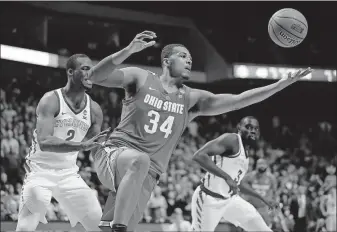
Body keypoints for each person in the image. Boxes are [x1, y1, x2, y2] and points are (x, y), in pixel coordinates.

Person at [88, 30, 312, 232]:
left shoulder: (191, 98)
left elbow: (237, 101)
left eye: (190, 59)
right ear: (167, 60)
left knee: (115, 222)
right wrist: (128, 51)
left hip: (146, 176)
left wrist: (279, 85)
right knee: (139, 163)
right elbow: (95, 77)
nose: (189, 62)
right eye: (183, 56)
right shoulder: (141, 77)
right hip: (115, 155)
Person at [16, 54, 109, 231]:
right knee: (24, 228)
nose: (91, 72)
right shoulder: (51, 99)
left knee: (100, 225)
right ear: (70, 72)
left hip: (69, 174)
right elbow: (44, 141)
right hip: (39, 172)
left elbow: (94, 146)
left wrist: (113, 163)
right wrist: (81, 146)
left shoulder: (95, 110)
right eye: (85, 68)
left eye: (92, 68)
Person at [190, 116, 278, 232]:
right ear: (239, 128)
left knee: (261, 228)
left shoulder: (246, 151)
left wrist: (263, 199)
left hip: (230, 200)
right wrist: (227, 177)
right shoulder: (232, 140)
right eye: (248, 127)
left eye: (256, 129)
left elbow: (237, 183)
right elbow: (199, 156)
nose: (252, 131)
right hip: (209, 199)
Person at [241, 158, 278, 228]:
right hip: (251, 207)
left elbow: (275, 194)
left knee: (265, 228)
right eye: (259, 164)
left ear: (266, 165)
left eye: (263, 164)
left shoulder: (271, 178)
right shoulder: (249, 177)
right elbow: (241, 189)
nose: (261, 166)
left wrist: (274, 209)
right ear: (256, 165)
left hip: (264, 209)